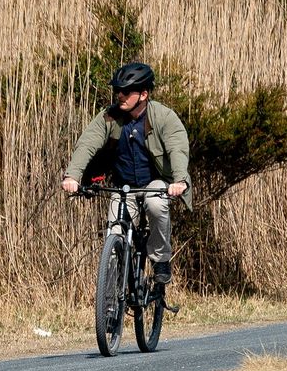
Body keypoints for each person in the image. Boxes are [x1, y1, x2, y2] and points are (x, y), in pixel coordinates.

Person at [59, 62, 192, 285]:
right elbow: (87, 144)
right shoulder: (109, 117)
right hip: (124, 187)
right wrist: (72, 176)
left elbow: (177, 148)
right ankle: (113, 296)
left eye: (126, 91)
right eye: (117, 91)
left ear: (143, 94)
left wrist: (179, 181)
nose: (119, 95)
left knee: (156, 204)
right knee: (114, 233)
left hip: (156, 183)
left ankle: (160, 260)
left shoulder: (163, 117)